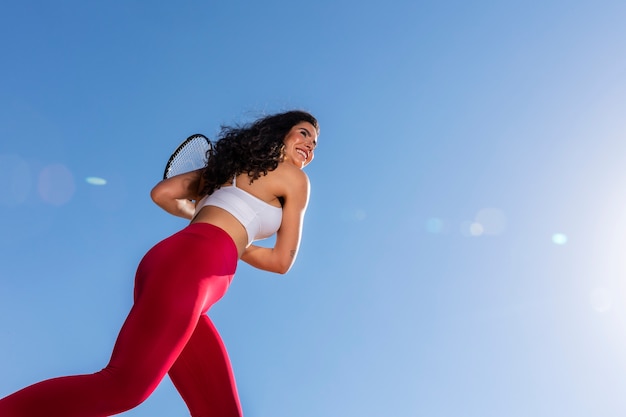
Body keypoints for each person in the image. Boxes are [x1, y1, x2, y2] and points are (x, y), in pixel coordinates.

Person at [0, 110, 319, 417]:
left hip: (171, 261)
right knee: (123, 388)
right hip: (197, 268)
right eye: (304, 133)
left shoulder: (225, 168)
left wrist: (202, 213)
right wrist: (241, 244)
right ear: (282, 133)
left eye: (314, 143)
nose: (309, 145)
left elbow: (163, 193)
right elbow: (281, 260)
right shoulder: (295, 180)